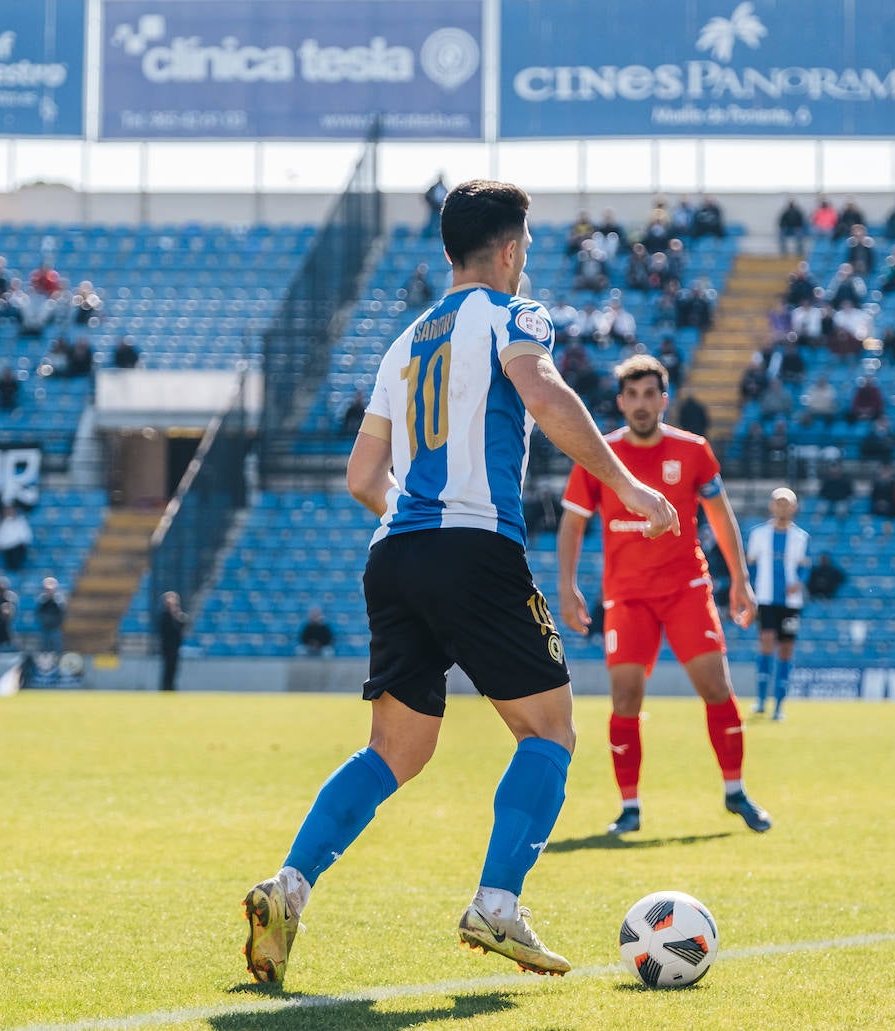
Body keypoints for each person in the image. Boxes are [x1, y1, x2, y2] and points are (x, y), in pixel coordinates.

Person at [242, 179, 680, 987]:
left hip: (395, 551)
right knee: (550, 730)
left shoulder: (403, 341)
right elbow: (543, 391)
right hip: (474, 545)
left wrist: (418, 518)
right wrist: (629, 487)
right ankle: (496, 902)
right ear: (510, 249)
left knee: (396, 748)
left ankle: (289, 887)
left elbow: (361, 474)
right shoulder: (515, 315)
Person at [557, 353, 770, 839]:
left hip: (686, 591)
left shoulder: (693, 451)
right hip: (628, 597)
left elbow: (720, 517)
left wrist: (739, 579)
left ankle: (736, 792)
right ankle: (629, 808)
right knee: (626, 698)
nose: (640, 403)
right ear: (620, 401)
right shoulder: (599, 454)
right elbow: (573, 522)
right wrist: (566, 586)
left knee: (716, 689)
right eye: (631, 395)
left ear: (663, 399)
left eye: (649, 393)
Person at [746, 487, 810, 722]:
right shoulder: (759, 534)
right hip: (765, 599)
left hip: (791, 603)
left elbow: (804, 566)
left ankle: (779, 706)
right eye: (778, 502)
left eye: (787, 503)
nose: (782, 506)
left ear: (794, 507)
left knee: (786, 649)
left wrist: (799, 583)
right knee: (766, 643)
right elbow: (750, 566)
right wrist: (750, 592)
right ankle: (762, 701)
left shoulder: (801, 537)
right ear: (771, 506)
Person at [158, 591, 187, 691]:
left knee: (174, 669)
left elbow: (183, 625)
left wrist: (176, 613)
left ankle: (171, 687)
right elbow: (167, 630)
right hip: (167, 647)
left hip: (175, 647)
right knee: (167, 669)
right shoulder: (165, 615)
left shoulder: (178, 615)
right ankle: (166, 687)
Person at [35, 577, 67, 653]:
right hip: (45, 628)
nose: (49, 591)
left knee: (57, 648)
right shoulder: (42, 599)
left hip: (55, 628)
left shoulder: (59, 599)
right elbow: (38, 613)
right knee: (45, 649)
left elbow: (62, 612)